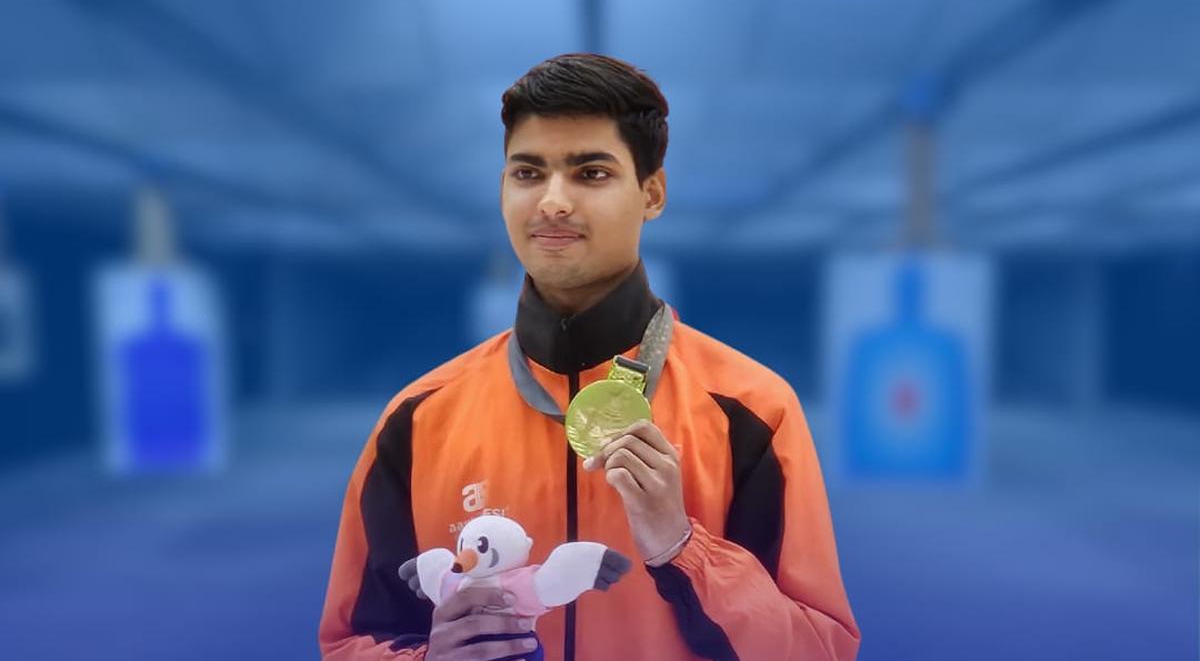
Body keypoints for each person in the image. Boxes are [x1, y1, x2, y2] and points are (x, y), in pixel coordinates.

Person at [319, 53, 860, 661]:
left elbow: (820, 650)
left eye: (591, 173)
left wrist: (682, 547)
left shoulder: (751, 410)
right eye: (528, 173)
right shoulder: (418, 420)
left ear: (652, 193)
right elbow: (349, 643)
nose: (552, 202)